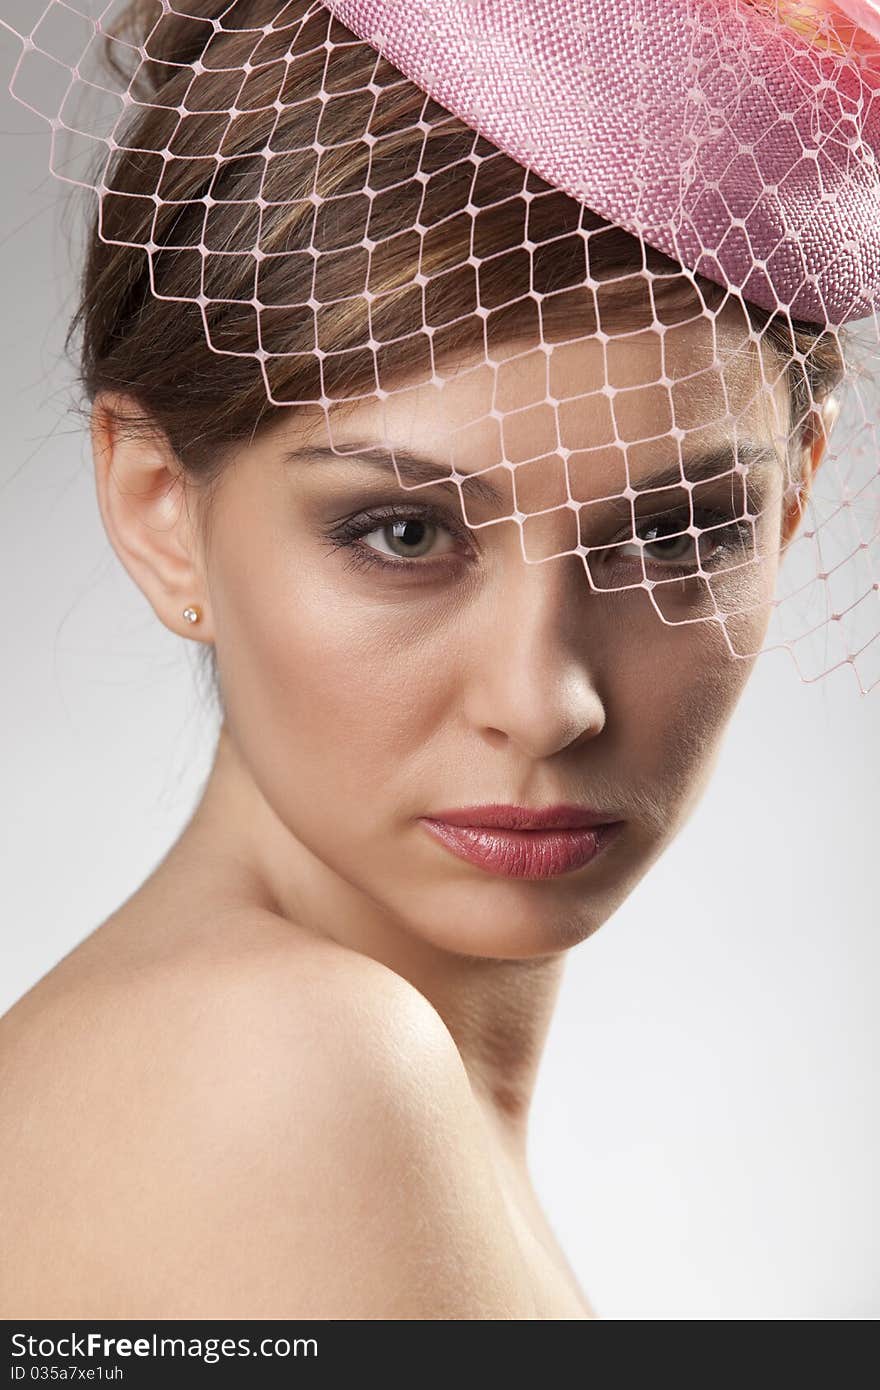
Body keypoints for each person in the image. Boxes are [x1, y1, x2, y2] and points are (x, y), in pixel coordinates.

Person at [0, 0, 872, 1319]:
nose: (545, 699)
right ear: (159, 507)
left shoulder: (267, 1069)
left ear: (795, 499)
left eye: (680, 529)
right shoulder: (289, 1072)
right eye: (403, 531)